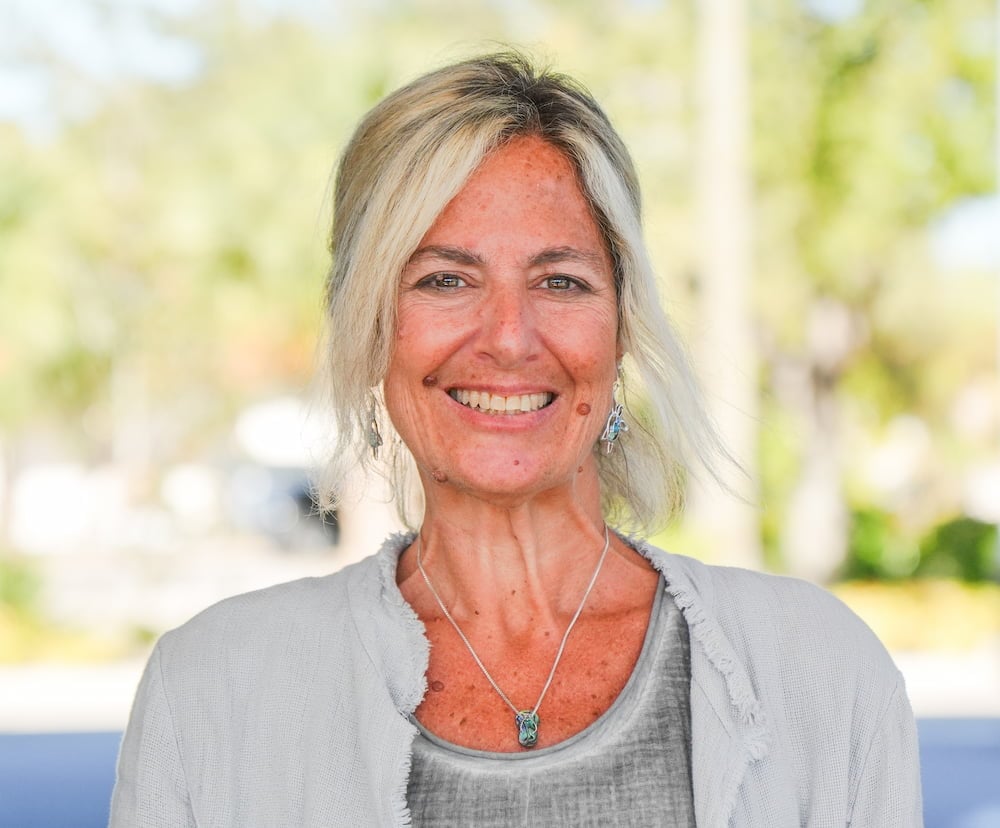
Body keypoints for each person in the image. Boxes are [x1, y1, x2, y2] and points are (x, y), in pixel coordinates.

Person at [110, 52, 922, 826]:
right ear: (369, 327)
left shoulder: (818, 673)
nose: (508, 337)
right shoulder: (214, 689)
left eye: (560, 280)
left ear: (622, 327)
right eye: (445, 280)